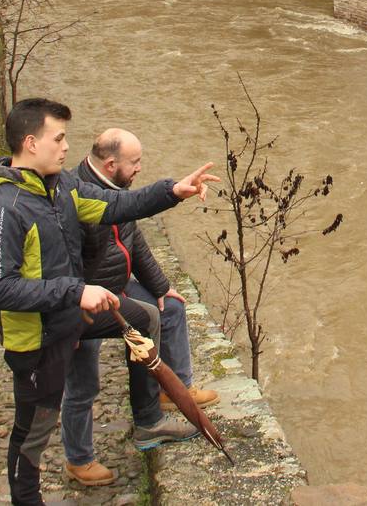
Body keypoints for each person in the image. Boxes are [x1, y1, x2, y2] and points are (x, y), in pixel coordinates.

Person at [0, 98, 219, 506]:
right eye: (59, 138)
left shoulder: (61, 187)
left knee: (143, 318)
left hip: (71, 315)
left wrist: (173, 191)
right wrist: (76, 290)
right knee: (34, 431)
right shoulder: (2, 208)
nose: (67, 147)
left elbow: (118, 205)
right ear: (31, 143)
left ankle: (150, 418)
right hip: (38, 339)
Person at [59, 128, 220, 488]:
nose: (140, 169)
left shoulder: (117, 188)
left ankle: (172, 390)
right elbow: (65, 261)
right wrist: (72, 310)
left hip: (117, 285)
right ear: (111, 163)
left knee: (171, 310)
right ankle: (80, 459)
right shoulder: (75, 194)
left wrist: (161, 287)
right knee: (83, 383)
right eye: (135, 163)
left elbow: (135, 240)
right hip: (87, 297)